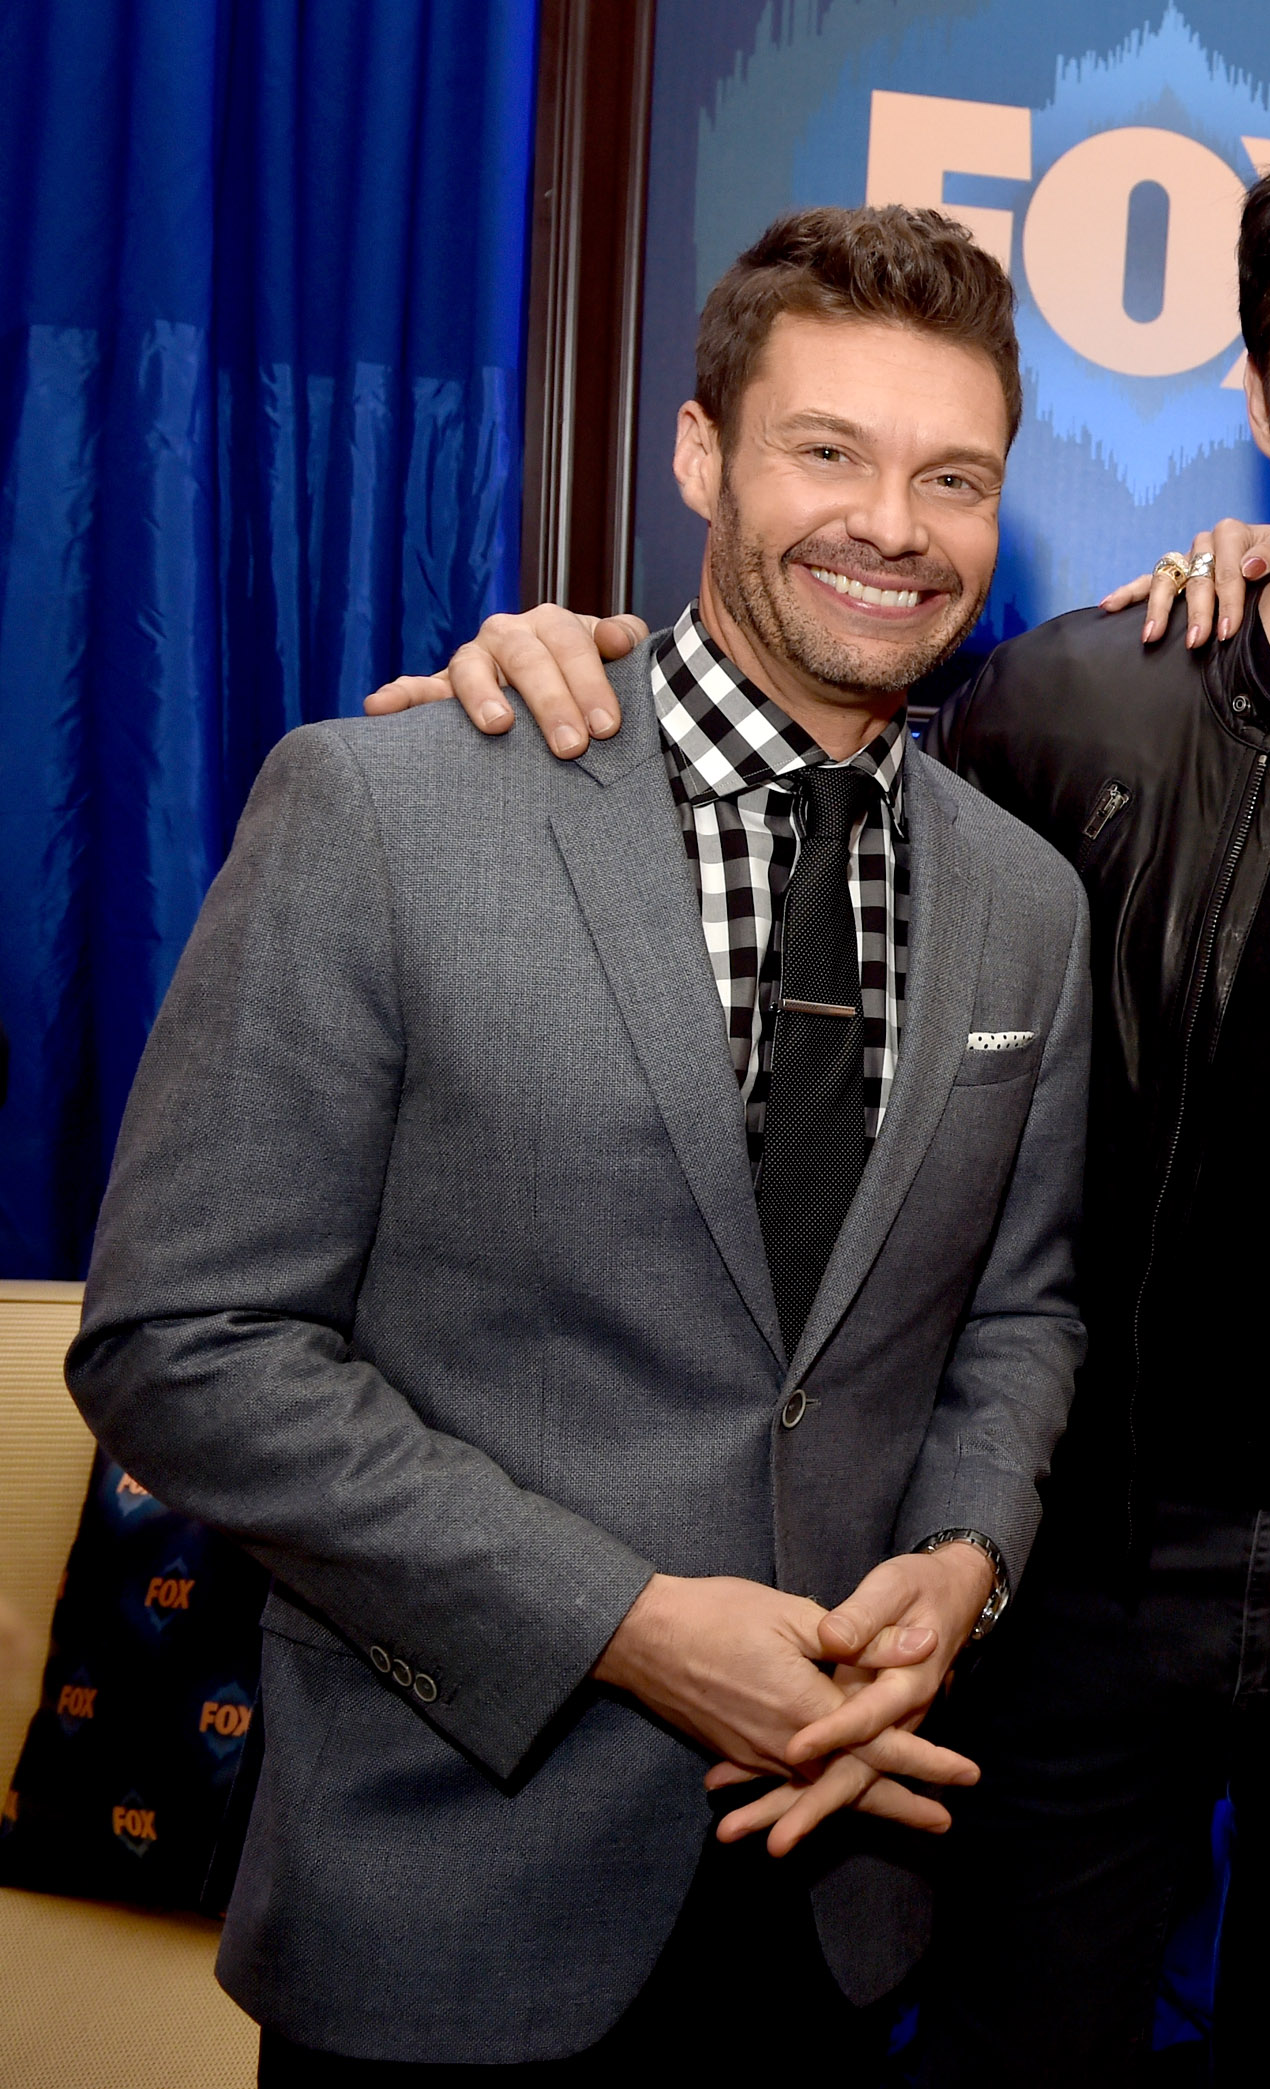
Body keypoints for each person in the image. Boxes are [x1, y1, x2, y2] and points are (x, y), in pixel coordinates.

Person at [365, 113, 1270, 2087]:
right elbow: (794, 793)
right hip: (1076, 1561)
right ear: (1257, 392)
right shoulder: (1073, 709)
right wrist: (534, 699)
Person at [67, 204, 1092, 2081]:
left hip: (833, 1910)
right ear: (700, 450)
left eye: (954, 475)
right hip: (450, 1889)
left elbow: (1017, 1316)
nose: (895, 523)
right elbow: (181, 1346)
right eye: (828, 450)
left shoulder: (1027, 903)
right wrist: (618, 1623)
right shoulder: (388, 809)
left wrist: (967, 1555)